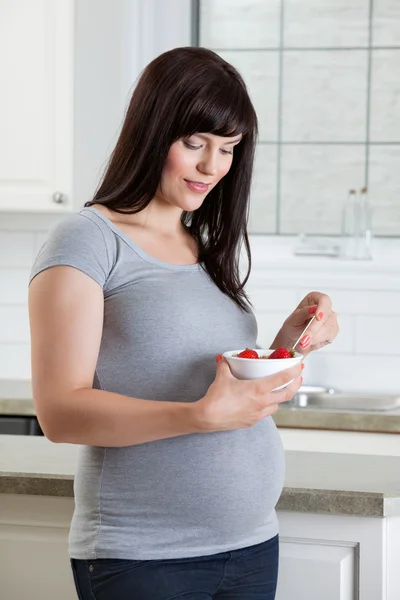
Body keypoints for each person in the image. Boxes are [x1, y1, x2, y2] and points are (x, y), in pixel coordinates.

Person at [28, 47, 338, 600]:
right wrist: (198, 417)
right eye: (194, 143)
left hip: (250, 544)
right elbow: (60, 413)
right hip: (145, 557)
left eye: (228, 149)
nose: (212, 167)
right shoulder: (88, 240)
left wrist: (288, 344)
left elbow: (219, 383)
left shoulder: (204, 244)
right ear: (152, 131)